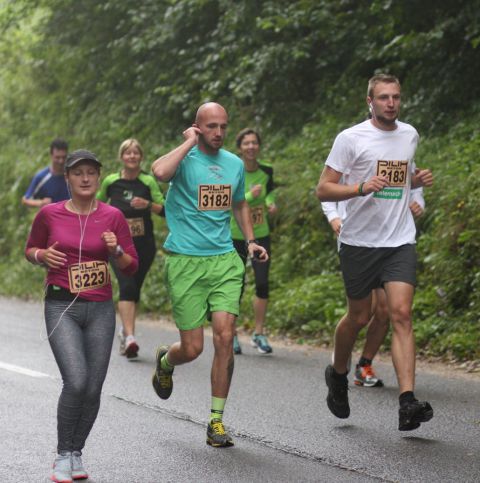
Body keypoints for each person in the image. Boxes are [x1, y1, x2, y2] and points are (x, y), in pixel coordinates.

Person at [316, 74, 434, 431]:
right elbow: (323, 189)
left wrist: (415, 185)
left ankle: (407, 402)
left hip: (399, 240)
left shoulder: (409, 134)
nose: (391, 103)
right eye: (383, 97)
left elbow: (400, 178)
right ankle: (337, 373)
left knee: (401, 313)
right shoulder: (350, 138)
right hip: (359, 243)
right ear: (370, 101)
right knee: (359, 316)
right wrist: (360, 187)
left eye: (396, 97)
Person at [151, 102, 268, 447]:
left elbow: (240, 203)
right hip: (185, 262)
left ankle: (216, 421)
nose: (218, 133)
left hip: (223, 261)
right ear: (198, 127)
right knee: (192, 348)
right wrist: (188, 142)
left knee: (224, 335)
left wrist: (250, 241)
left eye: (223, 127)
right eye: (211, 127)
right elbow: (159, 172)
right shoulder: (184, 160)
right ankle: (166, 359)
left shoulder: (233, 164)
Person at [25, 149, 138, 482]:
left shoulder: (113, 216)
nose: (85, 178)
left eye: (91, 172)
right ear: (68, 178)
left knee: (93, 387)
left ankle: (77, 452)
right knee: (76, 380)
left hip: (101, 308)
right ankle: (62, 455)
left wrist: (115, 248)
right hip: (62, 306)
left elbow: (130, 265)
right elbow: (30, 250)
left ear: (99, 177)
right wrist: (42, 255)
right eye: (78, 173)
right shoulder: (49, 214)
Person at [322, 187, 425, 387]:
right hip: (357, 241)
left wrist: (419, 202)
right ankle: (340, 362)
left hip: (392, 241)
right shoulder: (352, 154)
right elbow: (327, 187)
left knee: (386, 309)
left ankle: (364, 364)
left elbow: (413, 184)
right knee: (361, 314)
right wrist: (333, 217)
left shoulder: (402, 155)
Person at [97, 138, 165, 359]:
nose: (132, 156)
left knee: (134, 289)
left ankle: (124, 332)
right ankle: (130, 338)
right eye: (128, 153)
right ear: (121, 157)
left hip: (144, 245)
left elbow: (164, 209)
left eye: (136, 153)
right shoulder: (110, 182)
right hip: (117, 245)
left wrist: (147, 205)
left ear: (141, 157)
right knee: (127, 286)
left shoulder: (148, 182)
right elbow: (95, 205)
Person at [231, 128, 277, 355]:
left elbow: (270, 192)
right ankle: (232, 334)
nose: (250, 147)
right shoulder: (233, 169)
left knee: (262, 283)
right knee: (235, 286)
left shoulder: (267, 170)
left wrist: (269, 201)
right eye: (246, 143)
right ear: (240, 147)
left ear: (259, 146)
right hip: (235, 235)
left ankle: (258, 333)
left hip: (261, 233)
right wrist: (250, 196)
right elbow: (232, 201)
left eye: (254, 143)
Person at [22, 138, 70, 208]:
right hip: (50, 218)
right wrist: (41, 202)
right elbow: (25, 200)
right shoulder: (42, 177)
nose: (61, 161)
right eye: (57, 157)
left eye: (64, 157)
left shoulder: (73, 175)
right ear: (51, 155)